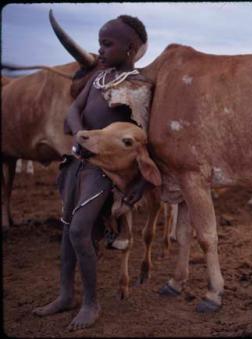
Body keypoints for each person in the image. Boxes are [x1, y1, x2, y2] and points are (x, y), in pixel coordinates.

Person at [32, 15, 154, 331]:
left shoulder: (138, 86)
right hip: (77, 162)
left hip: (105, 171)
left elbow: (143, 139)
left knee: (78, 231)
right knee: (68, 227)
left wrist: (139, 182)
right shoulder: (99, 79)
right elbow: (74, 110)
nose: (99, 50)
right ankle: (65, 295)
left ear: (130, 49)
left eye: (106, 44)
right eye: (100, 42)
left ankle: (90, 302)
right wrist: (80, 136)